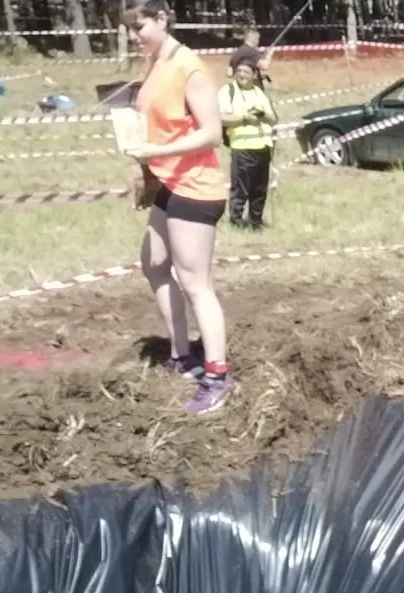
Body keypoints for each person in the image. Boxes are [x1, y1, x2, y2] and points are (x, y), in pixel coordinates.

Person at [121, 0, 233, 415]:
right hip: (168, 182)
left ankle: (217, 376)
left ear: (163, 19)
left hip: (196, 187)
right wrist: (148, 171)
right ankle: (182, 355)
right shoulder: (153, 65)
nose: (134, 36)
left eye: (141, 26)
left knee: (195, 282)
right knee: (153, 263)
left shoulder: (190, 68)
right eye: (129, 29)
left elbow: (211, 134)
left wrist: (156, 149)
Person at [218, 59, 276, 230]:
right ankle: (236, 222)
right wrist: (244, 118)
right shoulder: (227, 91)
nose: (242, 75)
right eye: (240, 71)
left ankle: (255, 223)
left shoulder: (259, 92)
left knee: (259, 190)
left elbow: (273, 118)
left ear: (254, 75)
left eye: (246, 72)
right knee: (240, 189)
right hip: (242, 147)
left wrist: (263, 115)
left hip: (263, 147)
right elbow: (221, 118)